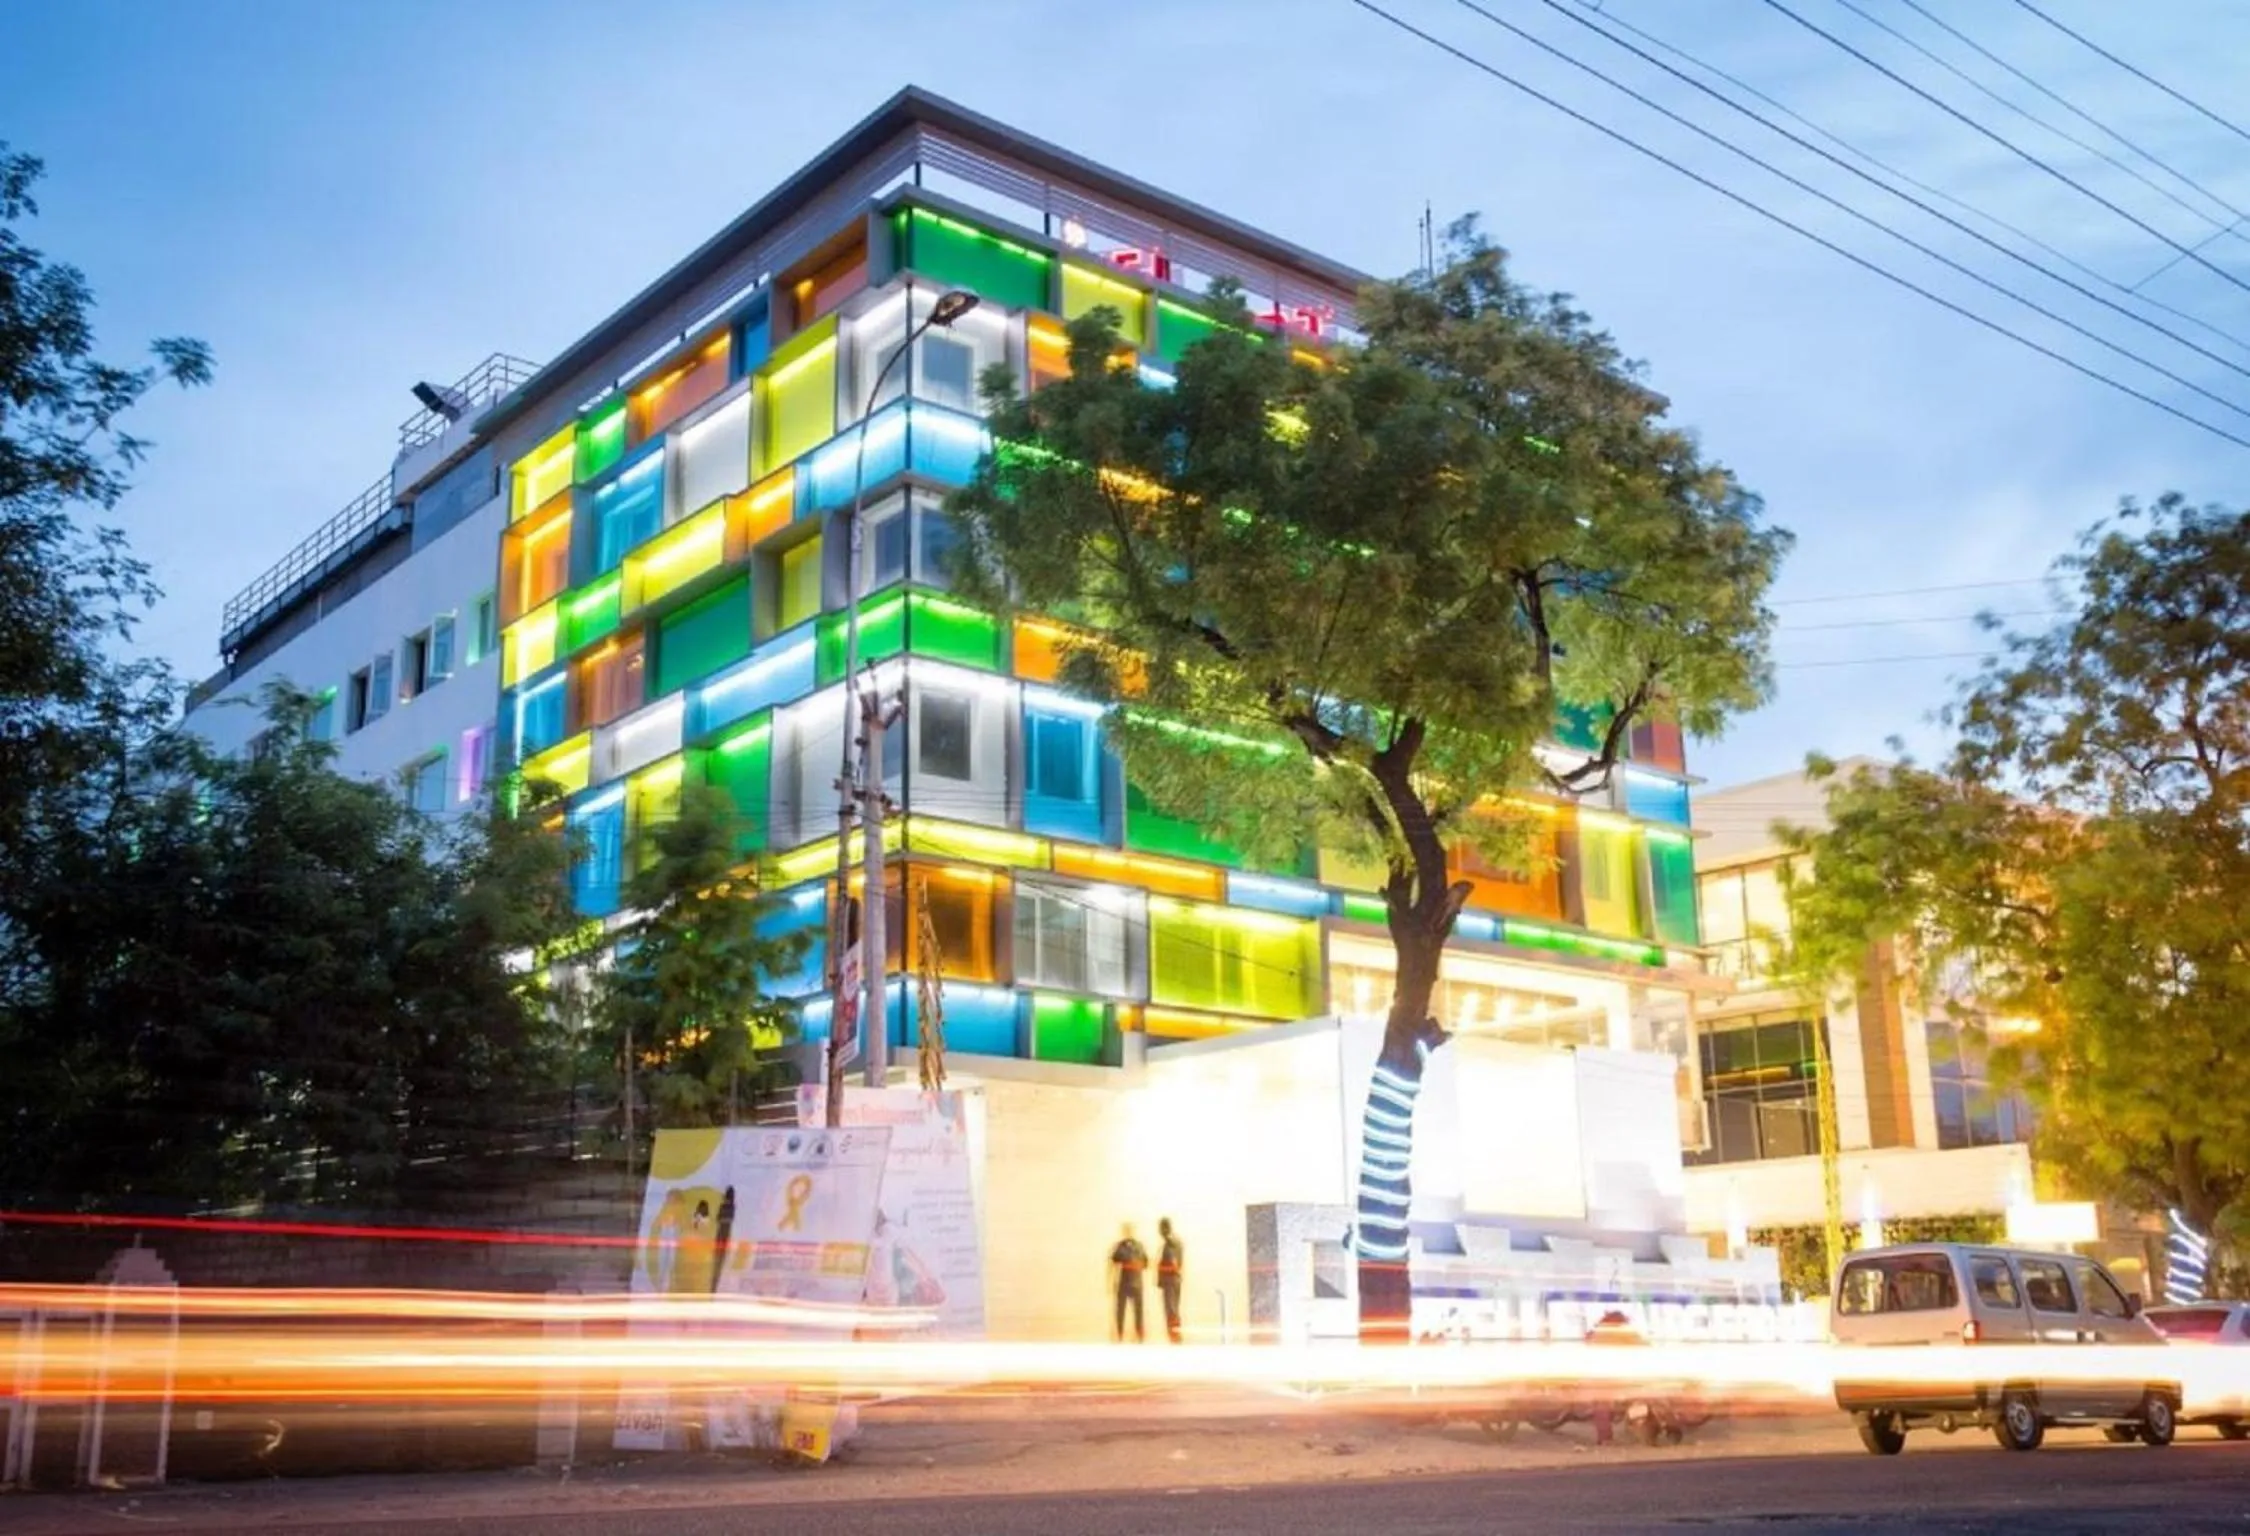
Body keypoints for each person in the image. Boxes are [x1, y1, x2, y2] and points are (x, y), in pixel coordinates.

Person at [1109, 1223, 1148, 1342]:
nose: (1129, 1232)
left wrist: (1137, 1266)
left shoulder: (1140, 1246)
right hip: (1123, 1284)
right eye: (1127, 1230)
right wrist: (1110, 1282)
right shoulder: (1119, 1247)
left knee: (1139, 1311)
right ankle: (1120, 1333)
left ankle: (1139, 1334)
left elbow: (1146, 1263)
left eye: (1131, 1230)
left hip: (1137, 1284)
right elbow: (1113, 1264)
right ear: (1124, 1232)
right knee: (1120, 1310)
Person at [1157, 1218, 1185, 1344]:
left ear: (1164, 1228)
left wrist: (1159, 1267)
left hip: (1170, 1281)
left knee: (1171, 1310)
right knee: (1173, 1309)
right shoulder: (1177, 1241)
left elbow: (1174, 1266)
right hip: (1173, 1280)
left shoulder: (1170, 1243)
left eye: (1160, 1228)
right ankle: (1175, 1337)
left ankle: (1174, 1338)